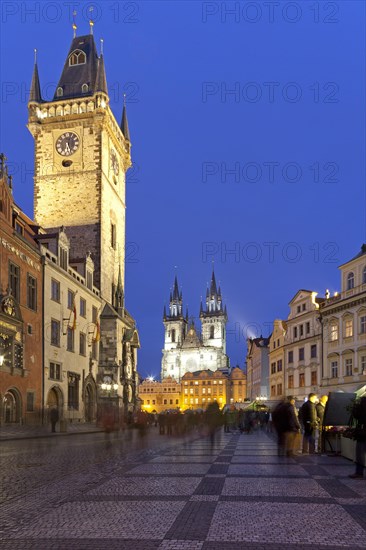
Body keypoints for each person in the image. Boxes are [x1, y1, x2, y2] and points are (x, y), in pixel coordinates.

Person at [348, 396, 366, 479]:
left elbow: (357, 415)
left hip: (363, 432)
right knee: (360, 453)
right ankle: (359, 472)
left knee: (360, 453)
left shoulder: (362, 402)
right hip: (362, 432)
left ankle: (359, 473)